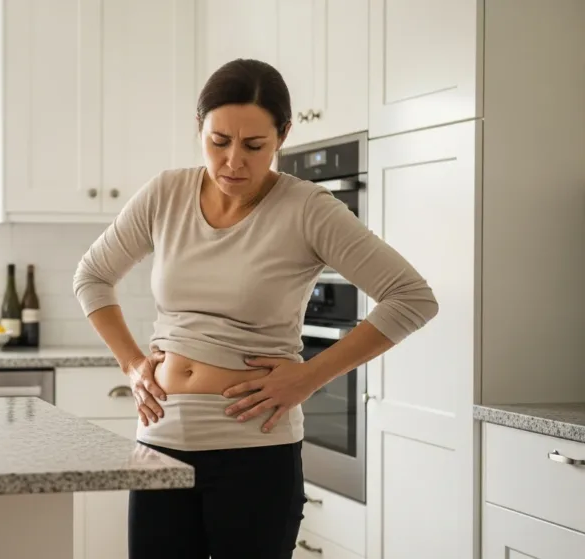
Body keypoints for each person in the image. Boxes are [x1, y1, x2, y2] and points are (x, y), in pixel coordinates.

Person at [72, 58, 439, 559]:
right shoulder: (165, 193)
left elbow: (411, 297)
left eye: (253, 146)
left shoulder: (307, 208)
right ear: (199, 129)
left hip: (254, 452)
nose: (232, 163)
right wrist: (132, 362)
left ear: (283, 135)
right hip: (159, 443)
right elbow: (91, 276)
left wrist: (308, 376)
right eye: (218, 142)